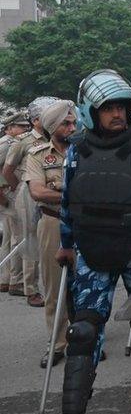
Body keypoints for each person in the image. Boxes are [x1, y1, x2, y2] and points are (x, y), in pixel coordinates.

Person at [36, 70, 131, 414]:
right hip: (93, 250)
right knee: (82, 331)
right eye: (108, 108)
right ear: (90, 111)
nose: (117, 114)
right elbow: (68, 203)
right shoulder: (78, 149)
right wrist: (66, 243)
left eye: (121, 107)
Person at [25, 100, 76, 368]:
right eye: (66, 123)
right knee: (54, 287)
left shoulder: (85, 150)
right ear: (52, 126)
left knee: (84, 288)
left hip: (83, 224)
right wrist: (71, 197)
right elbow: (38, 192)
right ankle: (57, 344)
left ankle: (83, 341)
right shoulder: (37, 154)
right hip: (53, 223)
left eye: (74, 123)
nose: (72, 127)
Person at [4, 96, 57, 307]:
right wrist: (19, 188)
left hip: (49, 193)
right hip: (28, 193)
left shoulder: (53, 138)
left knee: (47, 237)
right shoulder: (23, 141)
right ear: (36, 120)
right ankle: (30, 289)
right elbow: (7, 169)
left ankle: (48, 284)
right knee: (29, 239)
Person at [0, 110, 30, 295]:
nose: (25, 129)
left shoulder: (10, 142)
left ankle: (6, 279)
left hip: (7, 194)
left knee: (10, 239)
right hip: (8, 195)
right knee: (19, 238)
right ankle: (16, 282)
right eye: (21, 127)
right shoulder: (7, 144)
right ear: (10, 128)